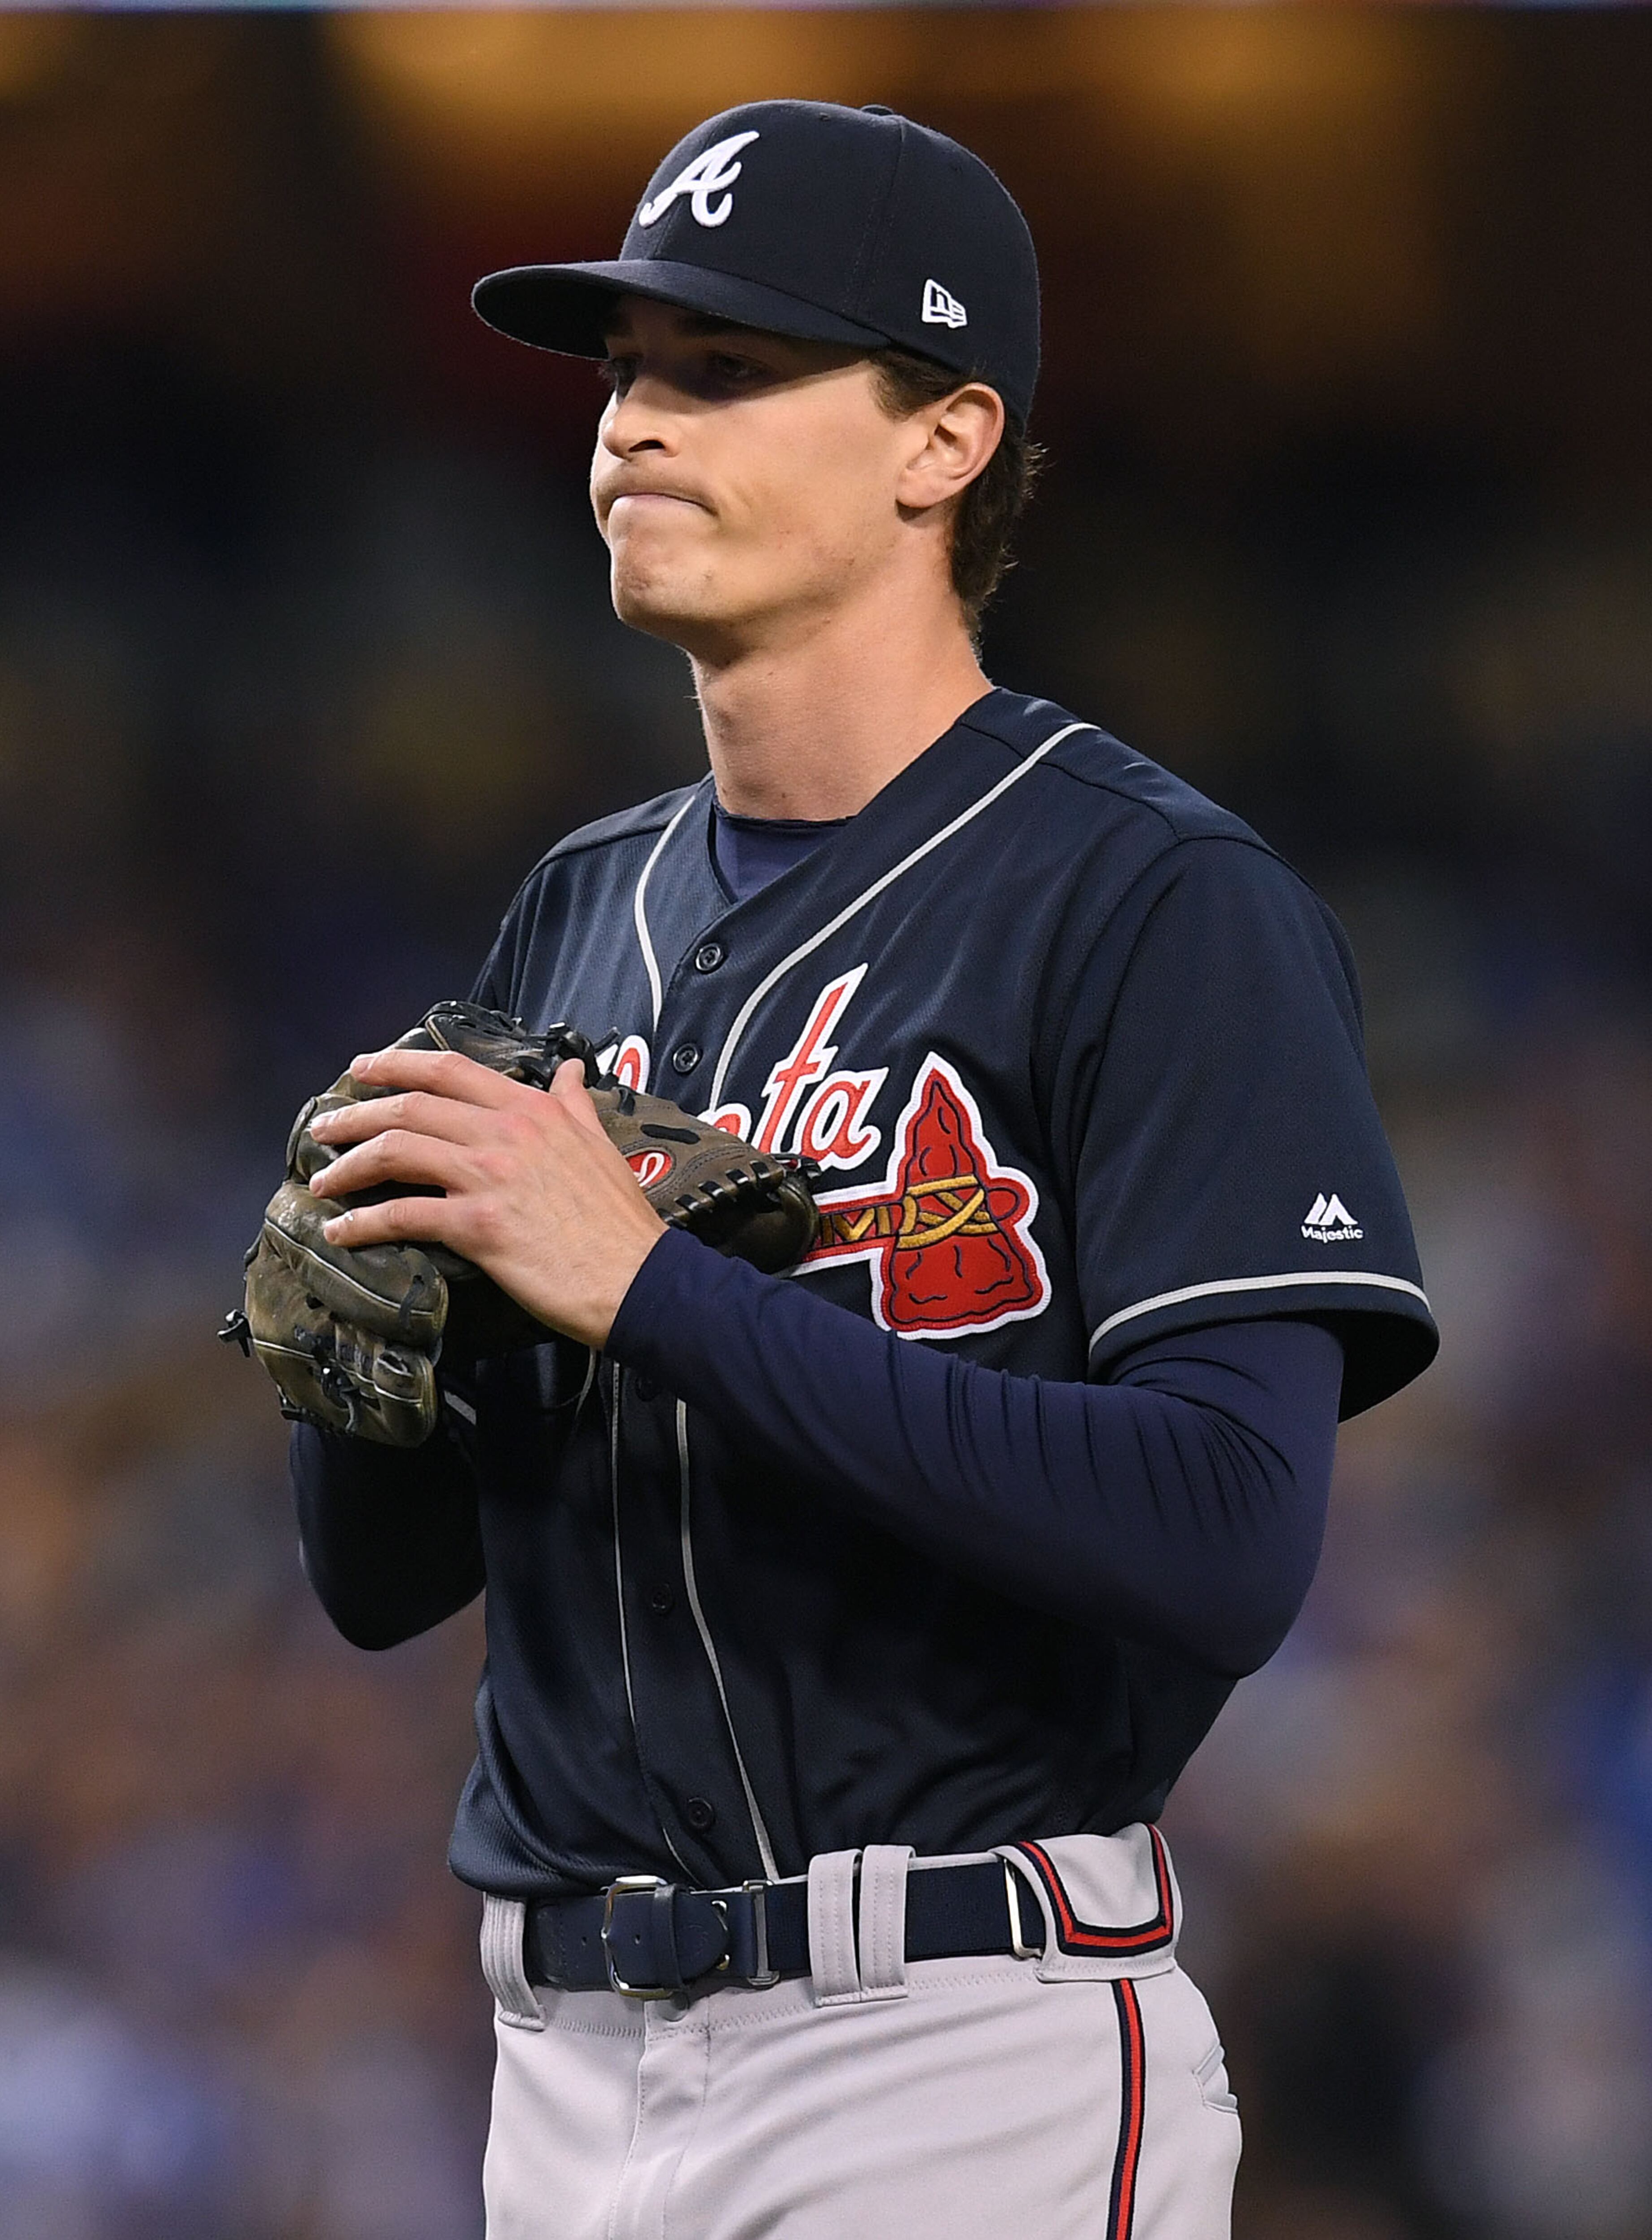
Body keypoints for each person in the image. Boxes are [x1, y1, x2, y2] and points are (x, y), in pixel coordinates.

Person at [288, 100, 1437, 2239]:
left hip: (952, 2041)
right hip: (558, 2063)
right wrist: (372, 1369)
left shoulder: (1151, 901)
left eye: (727, 371)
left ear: (945, 440)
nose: (635, 423)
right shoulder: (570, 910)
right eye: (626, 369)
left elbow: (1225, 1532)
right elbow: (382, 1587)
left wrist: (652, 1286)